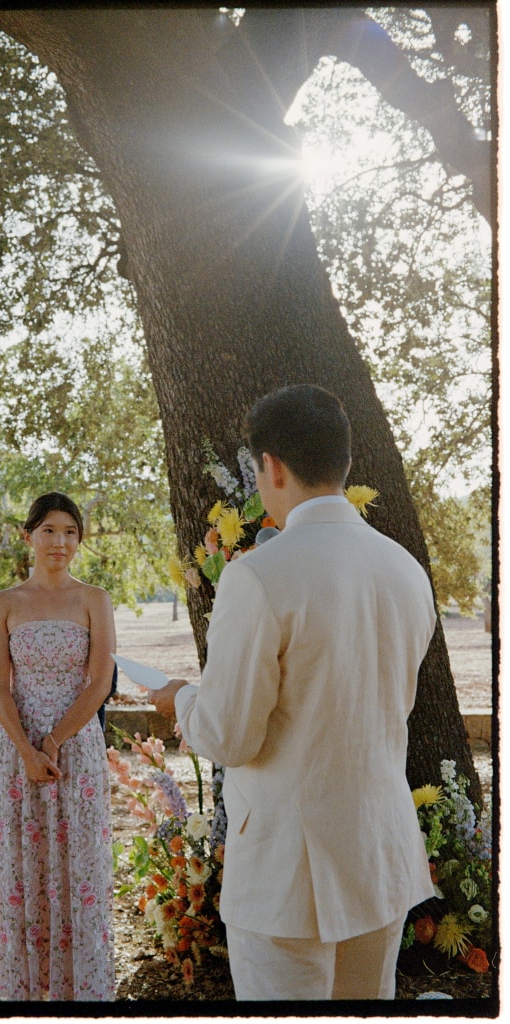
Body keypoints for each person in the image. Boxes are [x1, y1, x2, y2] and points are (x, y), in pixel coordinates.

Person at [151, 384, 436, 1002]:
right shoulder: (405, 569)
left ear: (271, 466)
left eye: (256, 471)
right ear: (345, 462)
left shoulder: (257, 575)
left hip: (287, 868)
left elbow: (230, 735)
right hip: (379, 853)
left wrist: (182, 701)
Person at [0, 491, 116, 1001]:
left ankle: (75, 992)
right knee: (24, 861)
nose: (59, 542)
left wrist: (55, 741)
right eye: (49, 531)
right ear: (29, 536)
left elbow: (99, 682)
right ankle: (24, 991)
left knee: (76, 859)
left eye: (69, 532)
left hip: (75, 747)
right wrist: (26, 748)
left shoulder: (94, 599)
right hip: (15, 751)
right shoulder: (5, 603)